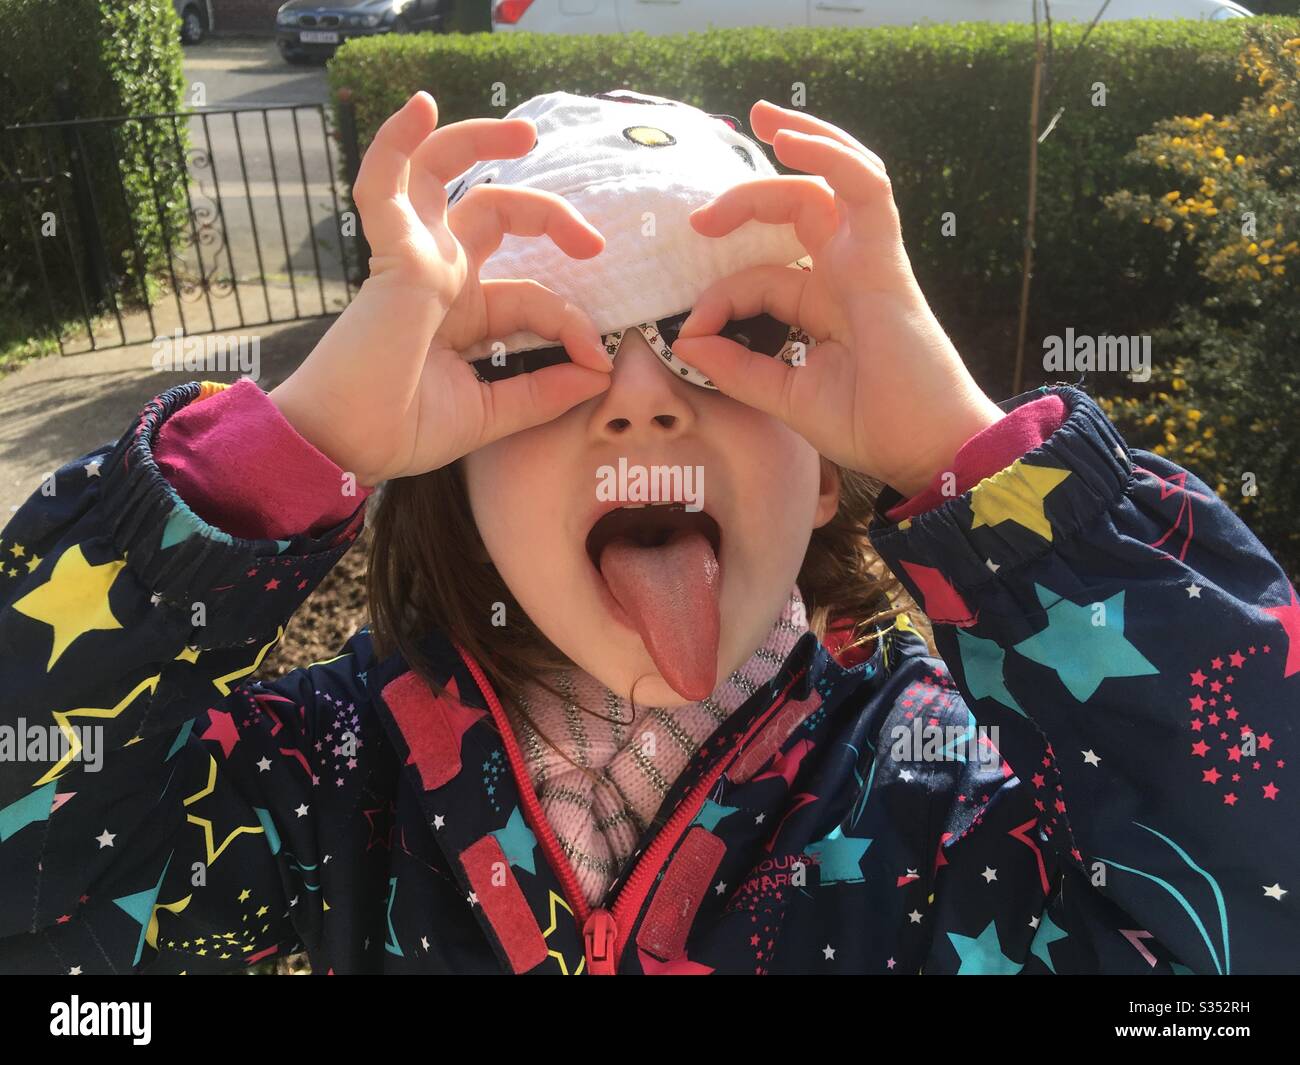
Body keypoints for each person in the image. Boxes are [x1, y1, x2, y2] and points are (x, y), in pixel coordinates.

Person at [0, 88, 1295, 975]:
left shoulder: (942, 803)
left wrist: (976, 463)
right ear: (450, 480)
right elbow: (33, 876)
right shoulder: (344, 783)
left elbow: (1256, 904)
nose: (645, 401)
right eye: (538, 363)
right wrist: (281, 453)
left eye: (729, 347)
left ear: (835, 476)